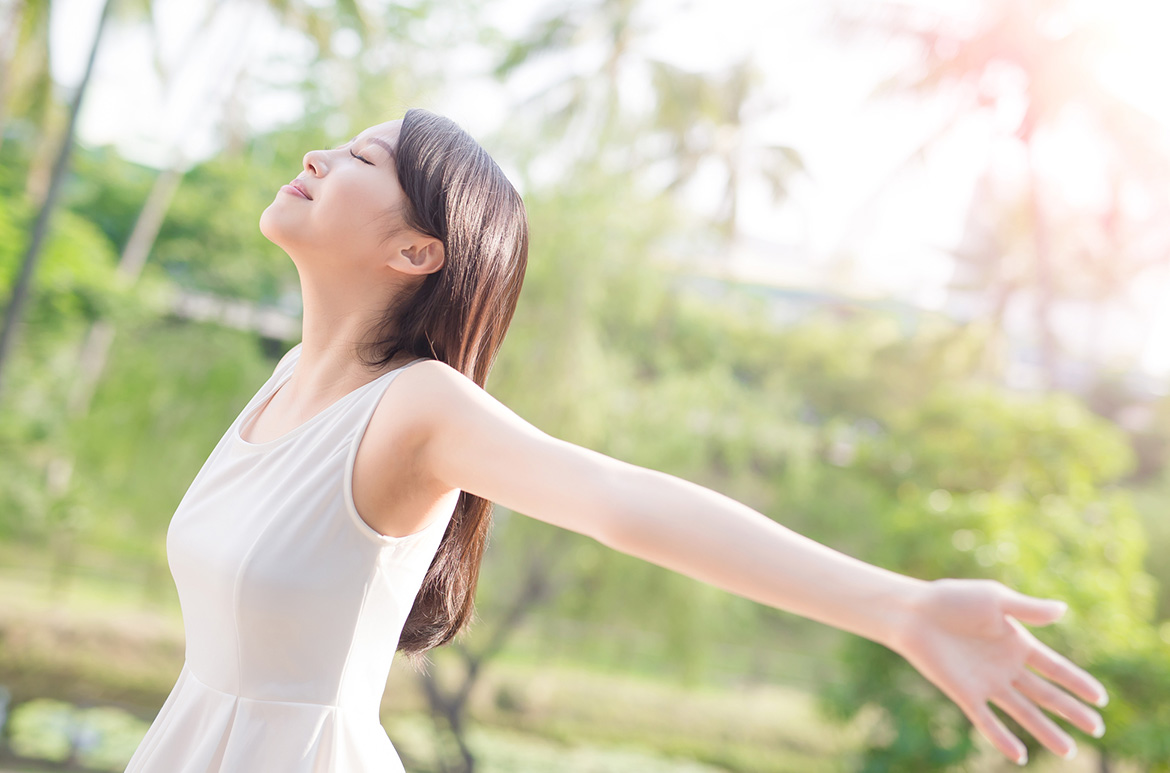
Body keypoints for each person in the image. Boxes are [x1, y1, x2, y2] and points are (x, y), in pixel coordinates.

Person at [124, 108, 1109, 773]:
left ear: (418, 251)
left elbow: (626, 502)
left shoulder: (419, 407)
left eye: (362, 161)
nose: (316, 158)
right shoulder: (282, 382)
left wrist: (903, 607)